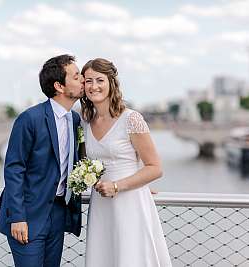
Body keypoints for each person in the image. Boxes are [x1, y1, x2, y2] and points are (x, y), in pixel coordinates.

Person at [80, 58, 172, 267]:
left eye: (100, 80)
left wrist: (120, 185)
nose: (94, 86)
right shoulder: (86, 121)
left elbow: (155, 168)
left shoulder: (131, 119)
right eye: (88, 81)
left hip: (129, 203)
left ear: (112, 83)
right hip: (101, 205)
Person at [0, 54, 84, 267]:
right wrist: (18, 217)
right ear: (59, 86)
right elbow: (14, 168)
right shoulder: (30, 118)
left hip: (58, 212)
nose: (83, 80)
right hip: (28, 215)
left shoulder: (75, 120)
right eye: (76, 75)